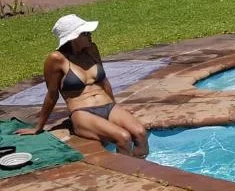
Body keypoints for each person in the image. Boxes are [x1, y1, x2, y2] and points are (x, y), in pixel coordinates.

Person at [15, 14, 149, 157]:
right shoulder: (56, 59)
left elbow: (104, 81)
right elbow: (52, 94)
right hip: (82, 112)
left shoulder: (92, 50)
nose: (90, 35)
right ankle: (128, 175)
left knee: (140, 133)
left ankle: (143, 171)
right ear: (73, 38)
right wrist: (38, 126)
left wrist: (116, 108)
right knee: (123, 138)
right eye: (85, 33)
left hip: (108, 106)